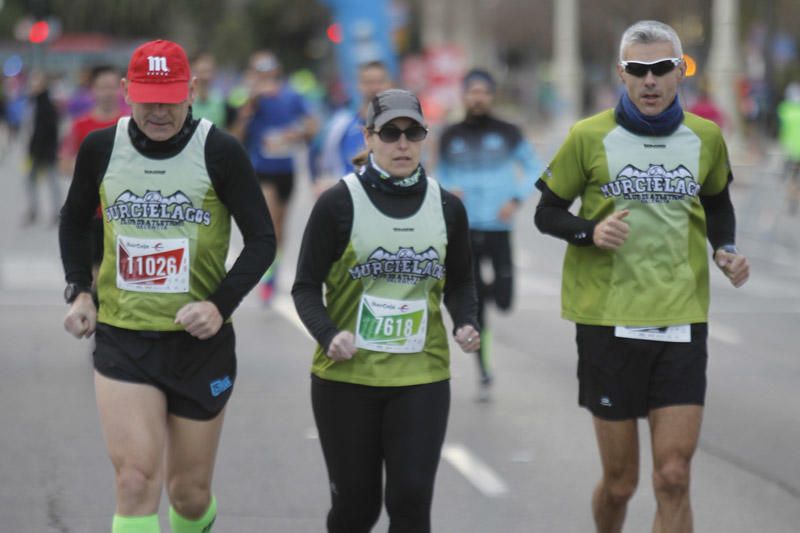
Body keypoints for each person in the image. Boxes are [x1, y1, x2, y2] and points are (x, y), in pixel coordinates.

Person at [533, 21, 750, 533]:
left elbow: (717, 204)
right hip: (608, 322)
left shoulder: (705, 137)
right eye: (638, 70)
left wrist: (726, 249)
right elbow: (547, 212)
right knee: (621, 482)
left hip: (680, 319)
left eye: (660, 70)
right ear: (621, 75)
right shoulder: (588, 137)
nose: (649, 81)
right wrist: (589, 232)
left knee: (673, 476)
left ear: (679, 72)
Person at [59, 39, 275, 533]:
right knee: (135, 480)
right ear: (125, 91)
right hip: (124, 336)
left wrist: (219, 306)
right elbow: (73, 221)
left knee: (189, 494)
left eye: (171, 98)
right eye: (148, 98)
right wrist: (81, 290)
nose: (158, 111)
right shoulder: (101, 147)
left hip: (199, 345)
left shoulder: (220, 151)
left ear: (192, 92)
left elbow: (263, 240)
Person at [292, 89, 480, 533]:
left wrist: (466, 321)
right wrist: (327, 333)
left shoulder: (448, 207)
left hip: (422, 377)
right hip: (346, 380)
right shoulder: (337, 204)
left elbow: (461, 281)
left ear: (424, 138)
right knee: (357, 510)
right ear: (368, 137)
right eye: (390, 133)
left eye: (412, 132)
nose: (402, 143)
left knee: (411, 503)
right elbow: (303, 288)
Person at [437, 68, 540, 400]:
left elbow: (536, 167)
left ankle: (489, 296)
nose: (476, 97)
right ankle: (483, 369)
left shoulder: (508, 132)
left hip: (499, 226)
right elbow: (439, 172)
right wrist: (448, 190)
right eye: (471, 91)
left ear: (491, 96)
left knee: (505, 299)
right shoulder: (450, 135)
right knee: (476, 303)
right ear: (463, 95)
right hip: (466, 227)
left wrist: (516, 198)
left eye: (483, 92)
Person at [230, 50, 317, 303]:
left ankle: (273, 270)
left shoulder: (291, 95)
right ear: (252, 74)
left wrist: (296, 134)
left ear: (276, 72)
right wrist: (249, 105)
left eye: (268, 72)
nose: (265, 77)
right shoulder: (245, 97)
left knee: (281, 228)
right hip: (261, 169)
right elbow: (236, 135)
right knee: (268, 220)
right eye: (259, 72)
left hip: (286, 168)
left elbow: (312, 126)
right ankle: (266, 272)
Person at [60, 65, 127, 286]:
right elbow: (65, 163)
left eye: (112, 87)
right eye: (102, 87)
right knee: (95, 276)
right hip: (93, 213)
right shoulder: (80, 125)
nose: (108, 92)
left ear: (122, 89)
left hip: (124, 213)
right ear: (92, 90)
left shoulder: (131, 125)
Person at [310, 60, 392, 195]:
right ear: (358, 85)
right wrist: (315, 183)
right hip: (350, 200)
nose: (375, 87)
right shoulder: (340, 124)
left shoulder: (404, 126)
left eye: (380, 81)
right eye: (369, 82)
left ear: (390, 84)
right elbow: (315, 153)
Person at [23, 70, 61, 226]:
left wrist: (40, 150)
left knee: (50, 181)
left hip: (43, 152)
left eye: (35, 82)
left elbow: (48, 131)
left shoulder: (45, 105)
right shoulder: (35, 102)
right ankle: (37, 210)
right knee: (33, 180)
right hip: (38, 151)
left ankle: (52, 212)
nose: (32, 85)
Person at [777, 81, 800, 215]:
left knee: (791, 177)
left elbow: (780, 126)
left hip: (790, 150)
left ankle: (792, 196)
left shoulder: (784, 109)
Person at [190, 53, 230, 129]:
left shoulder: (222, 101)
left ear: (215, 73)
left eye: (208, 72)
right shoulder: (186, 102)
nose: (205, 77)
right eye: (201, 72)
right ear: (193, 73)